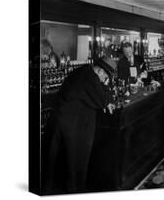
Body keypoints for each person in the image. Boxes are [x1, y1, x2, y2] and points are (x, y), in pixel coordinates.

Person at [43, 58, 116, 194]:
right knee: (76, 161)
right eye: (105, 76)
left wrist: (105, 95)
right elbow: (102, 100)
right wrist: (106, 87)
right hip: (72, 124)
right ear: (99, 71)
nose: (105, 79)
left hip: (62, 121)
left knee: (57, 162)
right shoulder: (91, 78)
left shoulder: (83, 71)